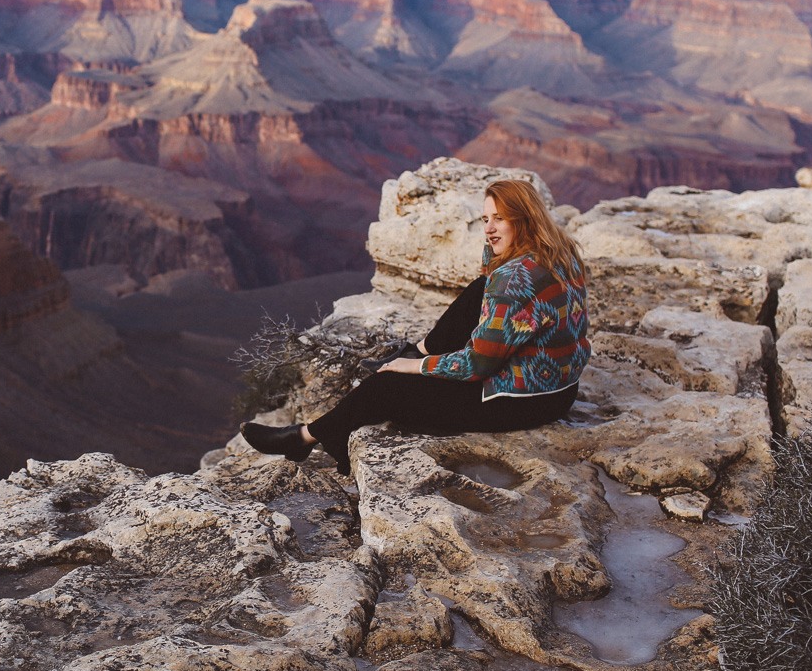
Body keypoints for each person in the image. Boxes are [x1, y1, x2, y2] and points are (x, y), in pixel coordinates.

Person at [240, 178, 590, 474]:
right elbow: (490, 288)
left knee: (388, 384)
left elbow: (477, 365)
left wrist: (414, 367)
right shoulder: (560, 252)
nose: (488, 228)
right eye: (485, 219)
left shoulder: (514, 279)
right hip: (562, 391)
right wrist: (425, 356)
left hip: (518, 400)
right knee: (478, 290)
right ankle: (422, 347)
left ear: (524, 219)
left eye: (499, 219)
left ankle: (304, 438)